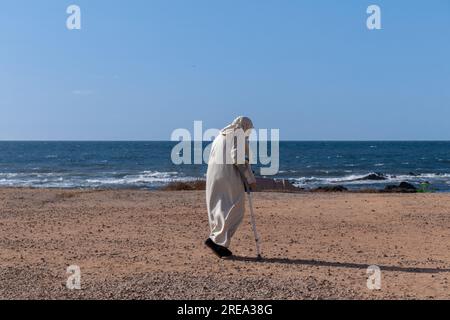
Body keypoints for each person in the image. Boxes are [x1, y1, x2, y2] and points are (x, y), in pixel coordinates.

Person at [205, 116, 256, 258]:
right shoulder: (237, 133)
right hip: (229, 176)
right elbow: (238, 158)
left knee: (219, 207)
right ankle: (217, 241)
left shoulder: (221, 135)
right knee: (236, 207)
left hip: (214, 175)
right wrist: (249, 178)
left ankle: (218, 240)